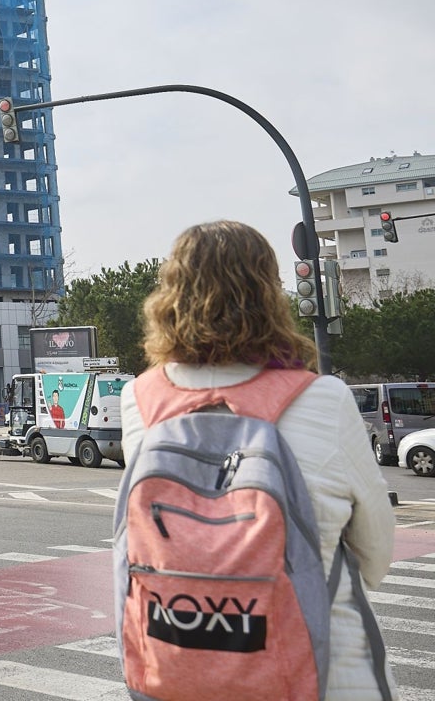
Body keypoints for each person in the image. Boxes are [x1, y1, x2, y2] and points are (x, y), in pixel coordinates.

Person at [121, 220, 396, 700]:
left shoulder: (139, 401)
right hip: (327, 676)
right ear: (269, 293)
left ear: (169, 297)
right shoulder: (324, 399)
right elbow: (376, 552)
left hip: (179, 678)